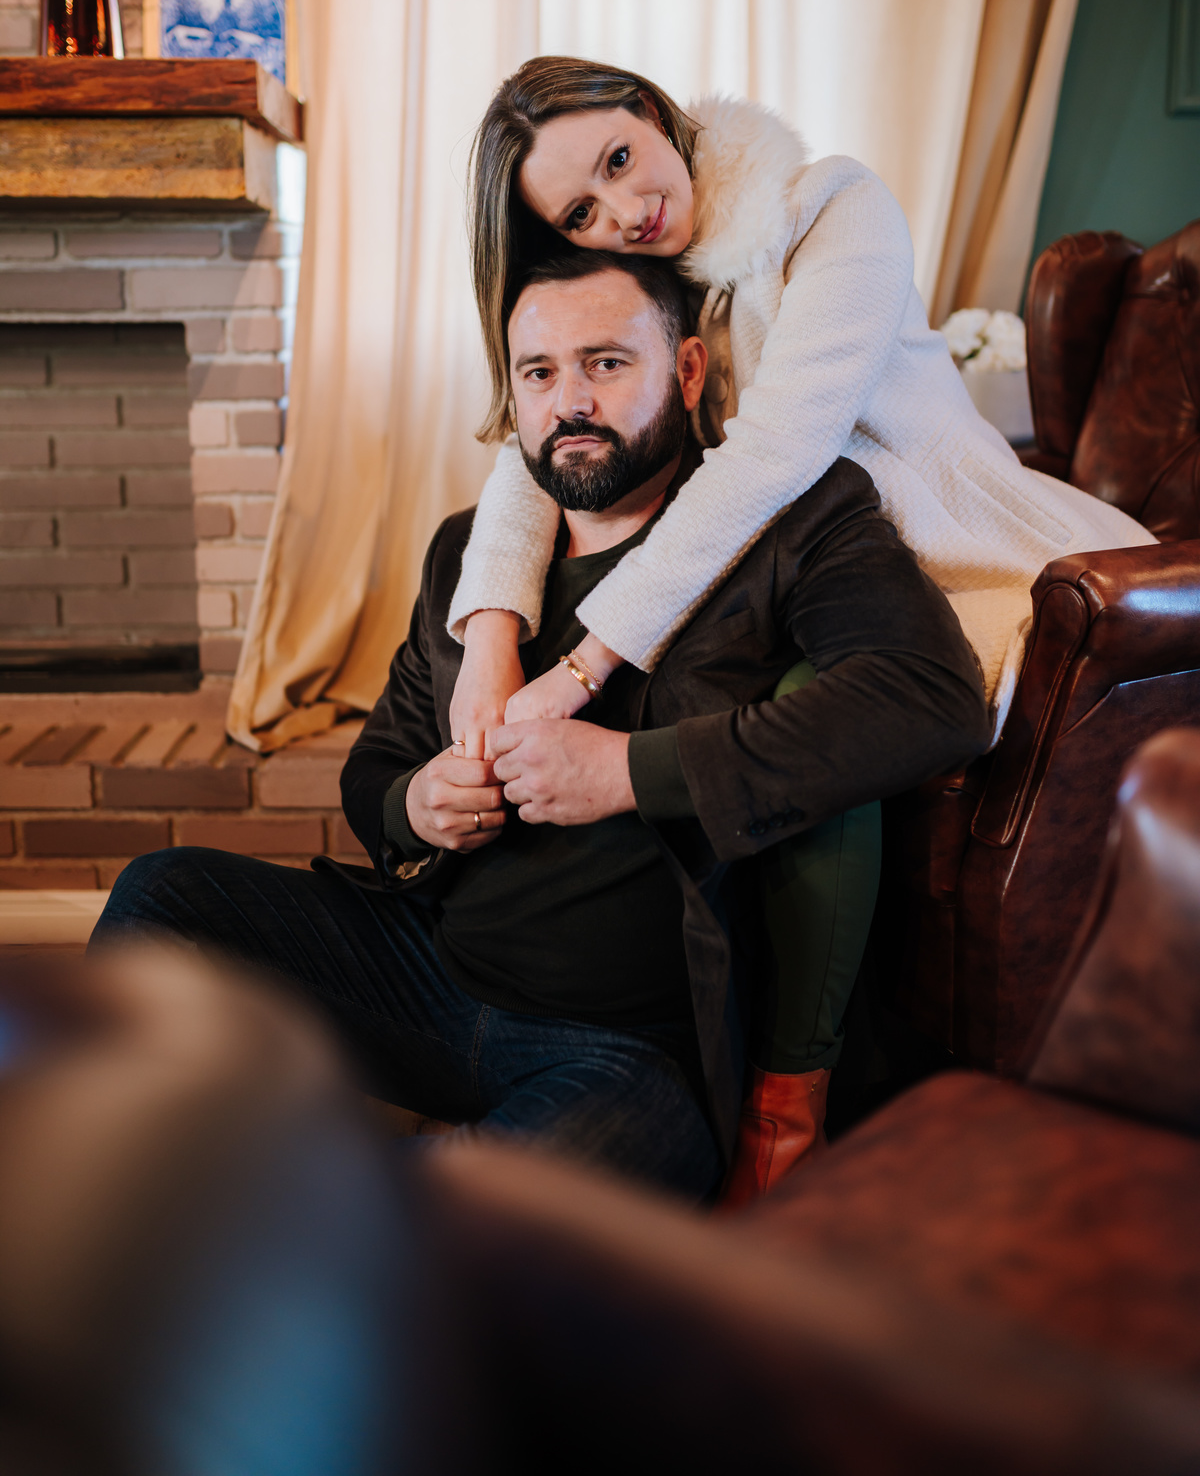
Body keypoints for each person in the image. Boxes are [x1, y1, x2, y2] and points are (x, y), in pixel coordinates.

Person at [92, 249, 989, 1200]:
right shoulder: (469, 555)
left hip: (629, 1049)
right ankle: (129, 1188)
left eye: (606, 363)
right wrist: (415, 804)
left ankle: (289, 1217)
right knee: (163, 896)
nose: (571, 402)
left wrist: (627, 773)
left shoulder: (789, 524)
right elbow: (378, 765)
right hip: (425, 976)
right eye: (539, 372)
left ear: (688, 371)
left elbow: (931, 696)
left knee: (464, 1212)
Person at [445, 54, 1156, 1188]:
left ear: (654, 112)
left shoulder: (831, 207)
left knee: (811, 707)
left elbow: (780, 450)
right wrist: (488, 636)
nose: (625, 210)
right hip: (785, 573)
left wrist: (579, 668)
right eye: (580, 213)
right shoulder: (646, 272)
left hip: (962, 563)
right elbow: (537, 439)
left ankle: (788, 1106)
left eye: (621, 159)